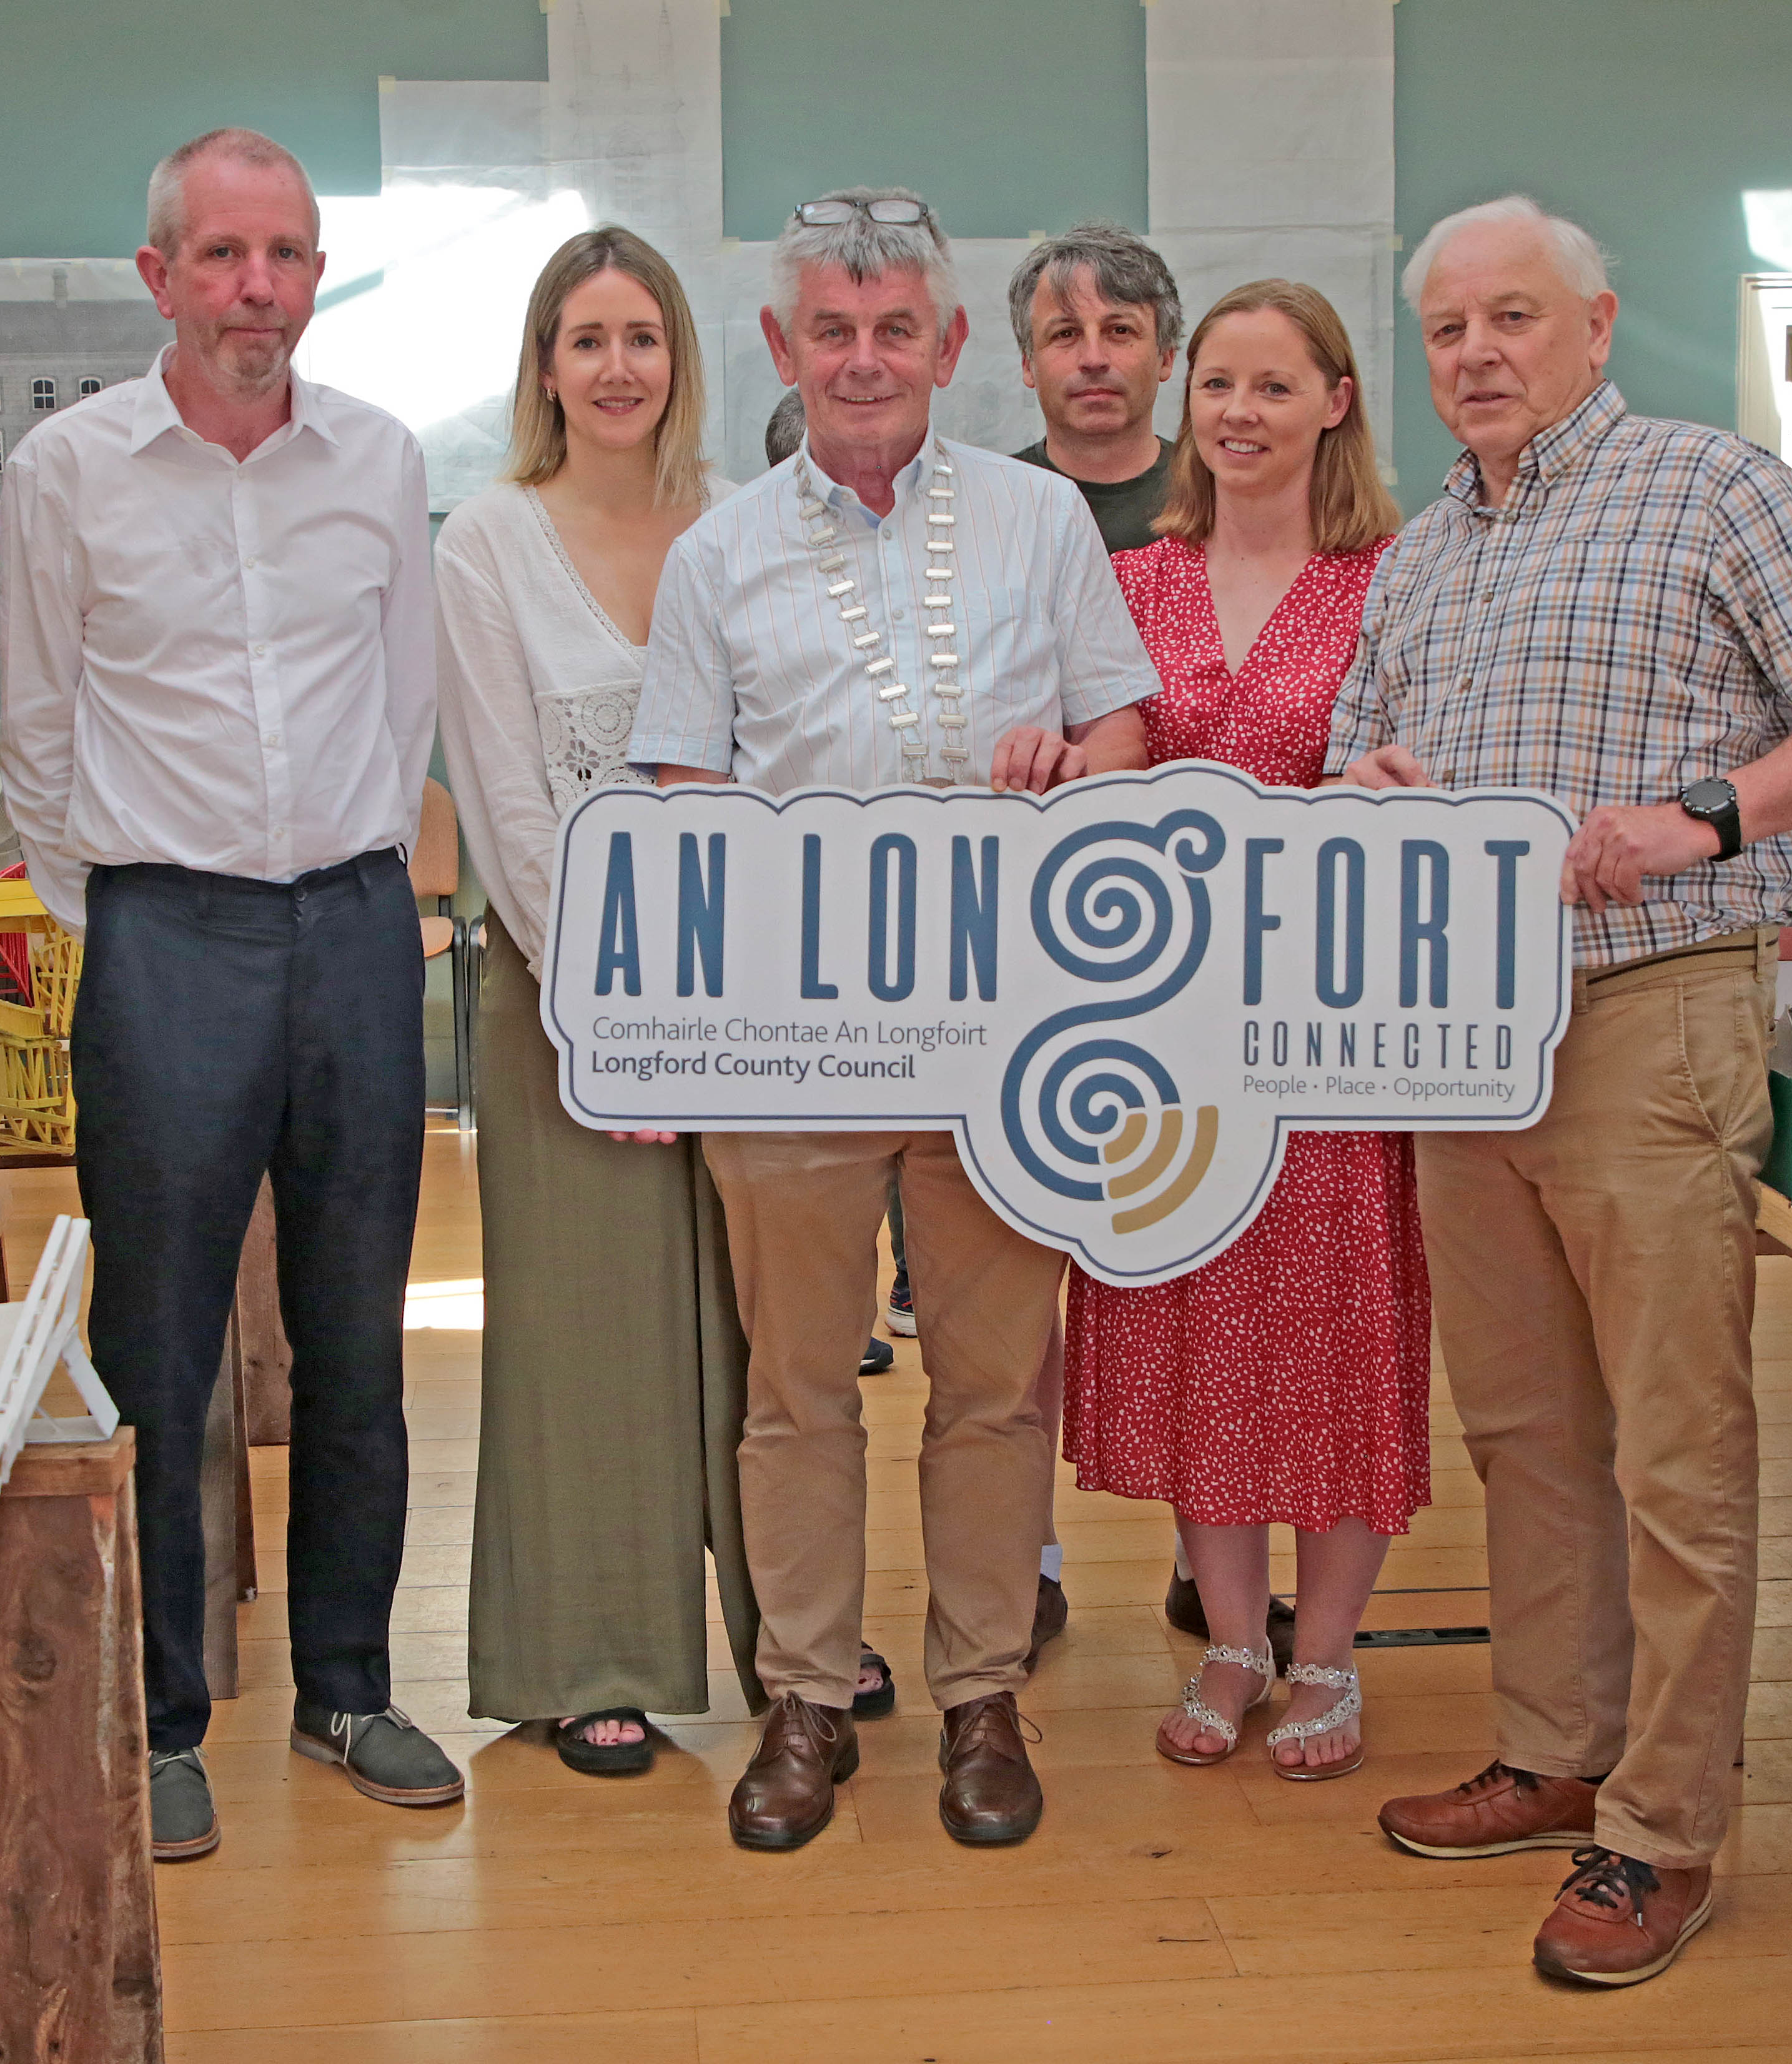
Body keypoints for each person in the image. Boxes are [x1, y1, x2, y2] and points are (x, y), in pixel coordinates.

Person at [1334, 195, 1792, 1984]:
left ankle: (1660, 1831)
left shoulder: (1711, 488)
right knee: (1527, 1437)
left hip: (1646, 1015)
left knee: (1676, 1452)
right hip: (1465, 1042)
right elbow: (1380, 737)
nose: (1479, 357)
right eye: (1448, 330)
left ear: (1596, 325)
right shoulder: (1426, 549)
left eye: (1513, 319)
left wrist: (1705, 819)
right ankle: (1551, 1744)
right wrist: (1373, 778)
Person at [630, 187, 1157, 1852]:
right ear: (784, 348)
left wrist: (1074, 770)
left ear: (946, 347)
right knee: (796, 1387)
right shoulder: (715, 552)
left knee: (997, 1383)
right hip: (792, 1037)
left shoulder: (1038, 525)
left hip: (1005, 1033)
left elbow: (1127, 736)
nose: (863, 361)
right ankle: (804, 1695)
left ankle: (983, 1690)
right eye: (830, 333)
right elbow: (682, 787)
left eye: (893, 331)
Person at [0, 126, 462, 1863]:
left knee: (356, 1338)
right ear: (159, 278)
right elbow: (37, 725)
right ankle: (164, 1710)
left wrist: (360, 885)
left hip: (348, 928)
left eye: (284, 256)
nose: (253, 287)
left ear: (315, 277)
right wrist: (118, 915)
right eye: (221, 256)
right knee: (159, 1347)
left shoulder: (380, 461)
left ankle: (346, 1683)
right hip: (163, 939)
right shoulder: (70, 470)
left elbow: (407, 694)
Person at [1061, 279, 1424, 1785]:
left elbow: (1433, 770)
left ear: (1333, 401)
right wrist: (1064, 761)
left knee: (1338, 1336)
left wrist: (1387, 794)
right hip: (1167, 1036)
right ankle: (1227, 1637)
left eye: (1273, 386)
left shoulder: (1394, 581)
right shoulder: (1132, 582)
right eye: (1216, 383)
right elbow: (1109, 758)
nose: (1237, 413)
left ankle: (1324, 1657)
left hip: (1334, 1040)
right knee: (1191, 1323)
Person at [433, 226, 758, 1778]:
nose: (616, 367)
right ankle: (593, 1656)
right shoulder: (485, 541)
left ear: (677, 359)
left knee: (773, 1328)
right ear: (544, 367)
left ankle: (797, 1634)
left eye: (641, 337)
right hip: (562, 996)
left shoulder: (748, 528)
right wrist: (617, 1016)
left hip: (761, 995)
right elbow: (505, 805)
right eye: (586, 339)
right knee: (585, 1335)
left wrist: (733, 1000)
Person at [1008, 222, 1182, 550]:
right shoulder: (985, 505)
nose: (1093, 359)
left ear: (1166, 356)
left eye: (1119, 331)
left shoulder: (1222, 497)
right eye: (1065, 333)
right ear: (1028, 364)